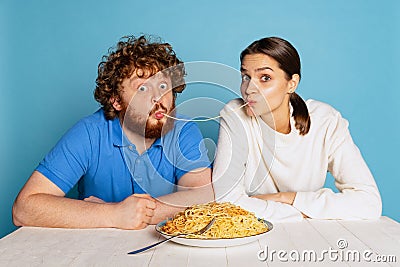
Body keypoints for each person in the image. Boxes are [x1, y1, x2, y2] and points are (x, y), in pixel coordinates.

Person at [12, 35, 213, 230]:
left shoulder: (183, 130)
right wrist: (114, 214)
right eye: (142, 89)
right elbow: (24, 209)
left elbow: (203, 195)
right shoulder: (89, 133)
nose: (157, 98)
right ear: (116, 101)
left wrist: (137, 212)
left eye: (162, 86)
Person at [212, 37, 381, 222]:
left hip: (309, 236)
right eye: (246, 77)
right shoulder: (235, 115)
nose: (249, 89)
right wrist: (301, 211)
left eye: (265, 78)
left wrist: (287, 197)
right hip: (255, 236)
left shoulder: (325, 121)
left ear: (292, 83)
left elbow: (369, 202)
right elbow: (225, 202)